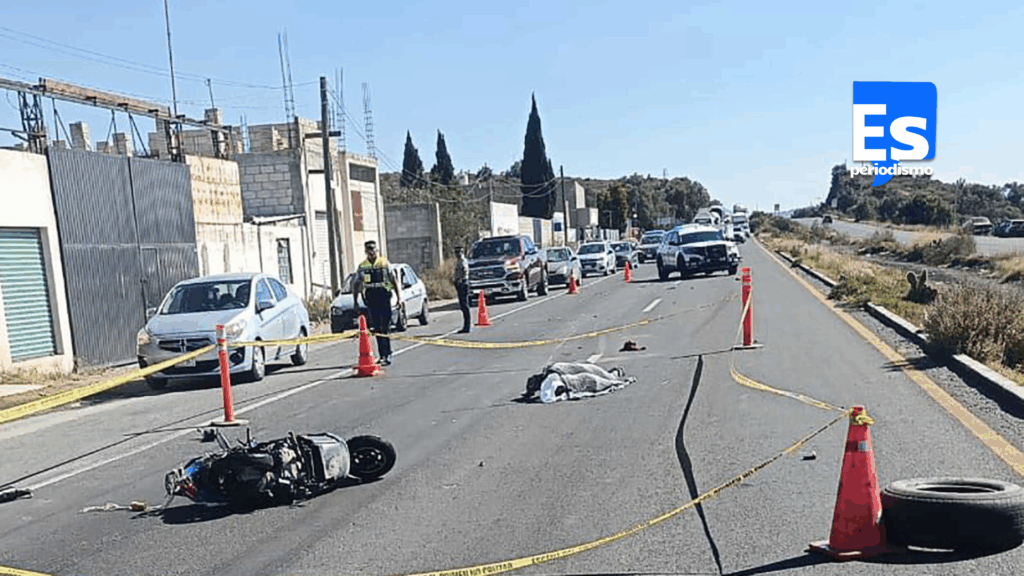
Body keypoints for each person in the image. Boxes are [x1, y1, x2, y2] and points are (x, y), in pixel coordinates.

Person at [354, 240, 402, 366]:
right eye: (368, 249)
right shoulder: (362, 266)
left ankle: (388, 354)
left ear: (377, 250)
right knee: (377, 328)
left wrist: (399, 298)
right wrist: (356, 301)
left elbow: (393, 280)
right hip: (371, 300)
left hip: (384, 298)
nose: (371, 251)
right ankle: (382, 355)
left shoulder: (384, 263)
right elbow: (356, 283)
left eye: (373, 249)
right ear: (365, 251)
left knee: (385, 327)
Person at [453, 246, 471, 333]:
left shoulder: (463, 261)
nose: (457, 254)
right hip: (461, 283)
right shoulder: (459, 261)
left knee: (464, 305)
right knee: (463, 305)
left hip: (463, 284)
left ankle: (467, 326)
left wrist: (460, 280)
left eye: (458, 252)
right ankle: (466, 326)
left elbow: (464, 271)